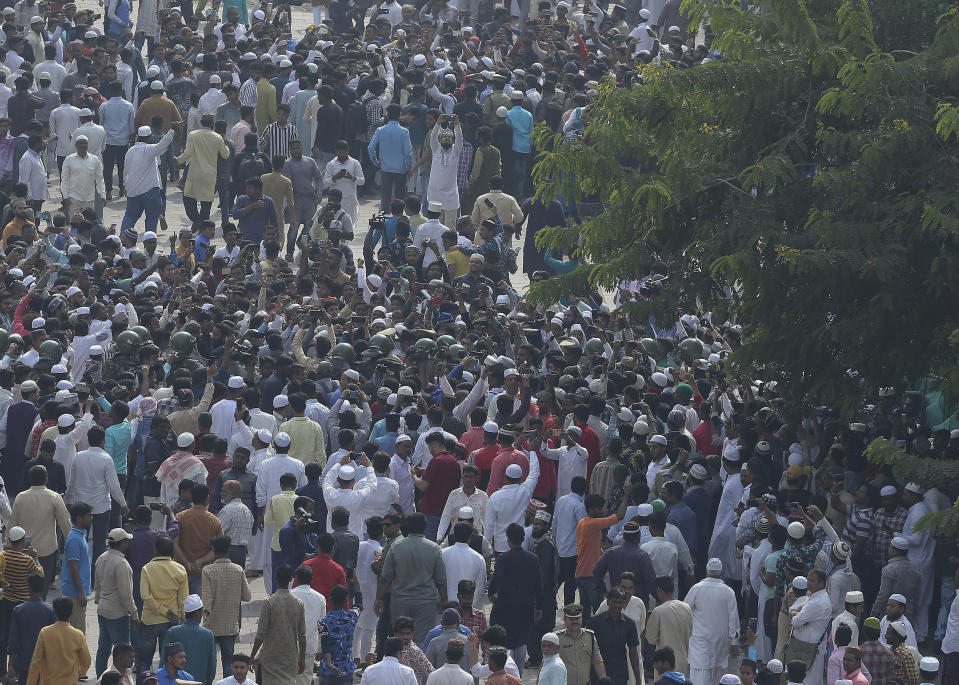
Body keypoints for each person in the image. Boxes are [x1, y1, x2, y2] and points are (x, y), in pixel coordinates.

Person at [376, 512, 448, 644]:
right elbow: (441, 580)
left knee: (399, 639)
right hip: (426, 601)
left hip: (400, 601)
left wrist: (378, 598)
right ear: (425, 527)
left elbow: (386, 577)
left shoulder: (396, 546)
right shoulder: (434, 548)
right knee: (422, 640)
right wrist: (444, 599)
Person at [67, 426, 128, 574]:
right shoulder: (106, 459)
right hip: (101, 507)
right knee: (100, 543)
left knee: (81, 540)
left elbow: (71, 483)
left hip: (81, 507)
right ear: (103, 441)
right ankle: (96, 575)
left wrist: (67, 500)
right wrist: (123, 503)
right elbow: (114, 486)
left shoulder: (78, 456)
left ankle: (81, 572)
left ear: (88, 440)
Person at [488, 523, 541, 673]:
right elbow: (539, 584)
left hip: (506, 605)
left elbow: (496, 579)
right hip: (526, 605)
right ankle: (519, 675)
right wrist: (539, 606)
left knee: (507, 640)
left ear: (508, 540)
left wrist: (491, 594)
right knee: (522, 639)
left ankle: (507, 672)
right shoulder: (533, 558)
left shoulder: (504, 558)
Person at [136, 535, 188, 678]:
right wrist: (183, 619)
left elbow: (145, 596)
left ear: (155, 550)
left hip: (149, 621)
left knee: (145, 661)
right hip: (171, 622)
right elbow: (183, 600)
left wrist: (162, 611)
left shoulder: (147, 569)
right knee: (168, 662)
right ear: (172, 551)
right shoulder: (180, 569)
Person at [201, 535, 251, 679]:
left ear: (213, 551)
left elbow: (207, 599)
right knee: (228, 661)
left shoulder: (207, 570)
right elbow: (247, 596)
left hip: (212, 624)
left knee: (210, 661)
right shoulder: (238, 570)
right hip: (230, 625)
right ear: (229, 551)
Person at [685, 558, 740, 685]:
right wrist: (734, 642)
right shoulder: (728, 591)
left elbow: (684, 610)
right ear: (721, 572)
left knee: (700, 672)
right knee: (718, 673)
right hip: (720, 640)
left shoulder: (697, 588)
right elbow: (733, 619)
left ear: (706, 571)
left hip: (700, 638)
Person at [250, 564, 308, 684]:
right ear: (291, 579)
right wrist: (302, 658)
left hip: (270, 657)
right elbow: (302, 635)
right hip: (290, 656)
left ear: (275, 578)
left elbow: (261, 633)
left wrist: (252, 656)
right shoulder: (298, 603)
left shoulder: (268, 602)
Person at [93, 528, 138, 678]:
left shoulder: (101, 558)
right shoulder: (121, 563)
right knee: (123, 653)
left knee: (103, 649)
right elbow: (125, 594)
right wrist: (134, 614)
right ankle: (122, 680)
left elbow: (97, 585)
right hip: (118, 613)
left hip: (103, 610)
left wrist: (98, 599)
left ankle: (101, 679)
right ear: (123, 544)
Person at [25, 596, 91, 684]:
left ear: (54, 612)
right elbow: (86, 661)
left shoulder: (45, 632)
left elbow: (36, 661)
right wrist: (81, 671)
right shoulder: (78, 635)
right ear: (71, 612)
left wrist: (31, 682)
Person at [175, 483, 224, 595]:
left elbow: (175, 544)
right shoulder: (214, 521)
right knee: (198, 608)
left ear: (191, 497)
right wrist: (199, 562)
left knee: (181, 608)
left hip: (180, 569)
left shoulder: (180, 517)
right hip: (202, 571)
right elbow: (217, 549)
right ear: (207, 499)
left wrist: (187, 563)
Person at [6, 574, 55, 684]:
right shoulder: (50, 611)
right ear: (43, 589)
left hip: (24, 661)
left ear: (29, 588)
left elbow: (13, 639)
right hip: (44, 661)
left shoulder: (18, 610)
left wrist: (10, 664)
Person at [588, 587, 642, 685]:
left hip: (620, 674)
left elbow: (633, 653)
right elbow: (587, 650)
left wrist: (638, 679)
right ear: (608, 602)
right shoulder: (595, 622)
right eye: (614, 602)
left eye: (620, 602)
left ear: (624, 603)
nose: (617, 605)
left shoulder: (629, 624)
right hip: (599, 675)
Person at [163, 594, 217, 685]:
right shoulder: (208, 634)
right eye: (201, 612)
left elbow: (164, 660)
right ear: (197, 613)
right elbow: (212, 665)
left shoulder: (173, 632)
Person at [645, 576, 692, 678]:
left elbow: (651, 638)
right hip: (683, 660)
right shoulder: (686, 607)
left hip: (664, 664)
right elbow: (690, 632)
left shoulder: (658, 611)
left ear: (659, 590)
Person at [290, 565, 327, 685]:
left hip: (290, 644)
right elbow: (322, 625)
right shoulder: (320, 598)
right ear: (311, 579)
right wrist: (320, 649)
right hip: (310, 644)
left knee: (289, 678)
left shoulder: (290, 595)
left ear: (297, 579)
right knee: (305, 678)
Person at [61, 502, 93, 636]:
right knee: (78, 634)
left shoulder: (80, 535)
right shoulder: (75, 539)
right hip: (74, 594)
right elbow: (73, 568)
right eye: (88, 516)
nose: (91, 518)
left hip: (76, 592)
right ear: (79, 518)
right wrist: (81, 592)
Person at [317, 583, 357, 685]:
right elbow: (359, 604)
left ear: (330, 599)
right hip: (346, 669)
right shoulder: (352, 617)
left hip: (327, 671)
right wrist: (356, 584)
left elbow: (326, 644)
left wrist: (329, 663)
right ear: (346, 601)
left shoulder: (323, 622)